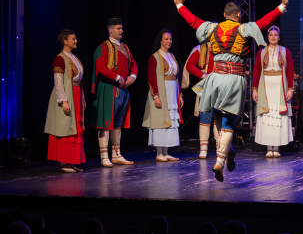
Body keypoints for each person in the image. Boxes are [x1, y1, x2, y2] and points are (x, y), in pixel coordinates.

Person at [173, 0, 289, 182]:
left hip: (215, 78)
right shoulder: (243, 28)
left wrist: (179, 5)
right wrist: (282, 6)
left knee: (218, 116)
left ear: (223, 15)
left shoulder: (212, 28)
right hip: (233, 79)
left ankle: (229, 150)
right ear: (238, 15)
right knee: (228, 121)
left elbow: (193, 22)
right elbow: (263, 22)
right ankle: (219, 163)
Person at [92, 18, 138, 167]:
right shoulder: (104, 47)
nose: (121, 31)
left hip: (122, 90)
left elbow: (134, 64)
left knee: (118, 123)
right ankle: (104, 156)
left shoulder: (125, 47)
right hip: (109, 88)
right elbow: (100, 67)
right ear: (110, 30)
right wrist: (117, 77)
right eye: (118, 28)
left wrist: (132, 76)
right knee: (106, 123)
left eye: (122, 28)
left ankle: (116, 154)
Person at [45, 29, 86, 173]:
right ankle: (63, 162)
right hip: (67, 95)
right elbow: (58, 82)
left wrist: (82, 98)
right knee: (65, 128)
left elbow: (79, 81)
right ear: (65, 41)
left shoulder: (74, 57)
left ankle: (71, 161)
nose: (76, 41)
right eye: (73, 39)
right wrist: (63, 100)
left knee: (74, 128)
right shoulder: (60, 59)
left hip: (76, 95)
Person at [252, 26, 295, 157]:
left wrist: (290, 89)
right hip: (265, 87)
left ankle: (276, 148)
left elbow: (290, 71)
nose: (273, 37)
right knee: (267, 115)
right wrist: (254, 89)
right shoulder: (261, 52)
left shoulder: (285, 51)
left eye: (275, 35)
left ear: (279, 37)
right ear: (268, 37)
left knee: (278, 116)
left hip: (279, 87)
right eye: (271, 35)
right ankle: (268, 148)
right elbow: (256, 71)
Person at [143, 29, 184, 162]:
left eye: (170, 39)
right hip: (161, 91)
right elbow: (151, 78)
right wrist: (156, 96)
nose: (169, 41)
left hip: (172, 91)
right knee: (160, 120)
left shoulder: (172, 56)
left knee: (170, 120)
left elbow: (177, 77)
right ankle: (159, 153)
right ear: (160, 41)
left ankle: (166, 152)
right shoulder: (154, 57)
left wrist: (180, 95)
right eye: (166, 39)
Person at [185, 42, 219, 159]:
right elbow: (189, 65)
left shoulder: (222, 46)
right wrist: (203, 75)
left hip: (220, 86)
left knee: (219, 117)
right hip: (206, 86)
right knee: (205, 116)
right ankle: (203, 149)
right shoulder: (201, 49)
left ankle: (220, 148)